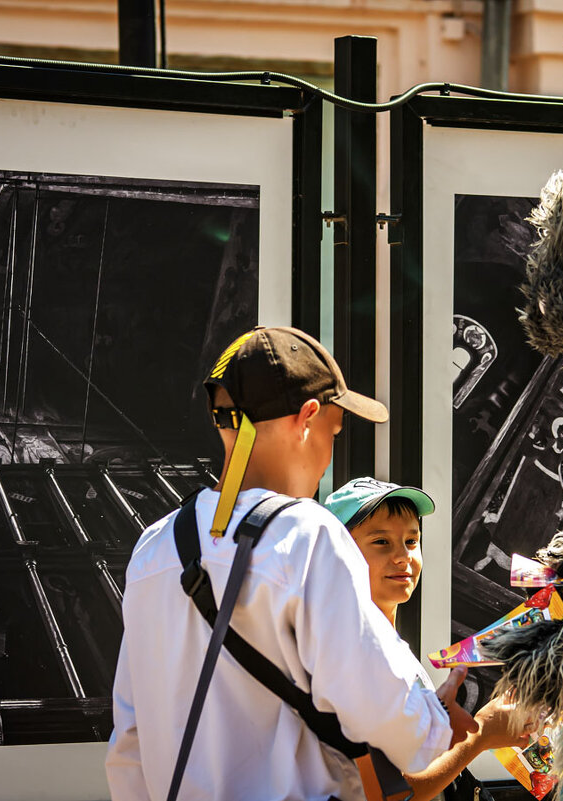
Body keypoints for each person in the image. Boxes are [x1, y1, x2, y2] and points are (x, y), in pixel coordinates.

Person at [106, 326, 476, 801]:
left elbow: (129, 741)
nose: (329, 454)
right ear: (307, 418)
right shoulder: (307, 535)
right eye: (334, 432)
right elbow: (400, 729)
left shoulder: (155, 547)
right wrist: (449, 725)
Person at [325, 477, 533, 801]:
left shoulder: (383, 644)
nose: (403, 556)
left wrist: (443, 727)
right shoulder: (349, 652)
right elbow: (389, 793)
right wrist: (481, 734)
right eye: (381, 542)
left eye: (411, 541)